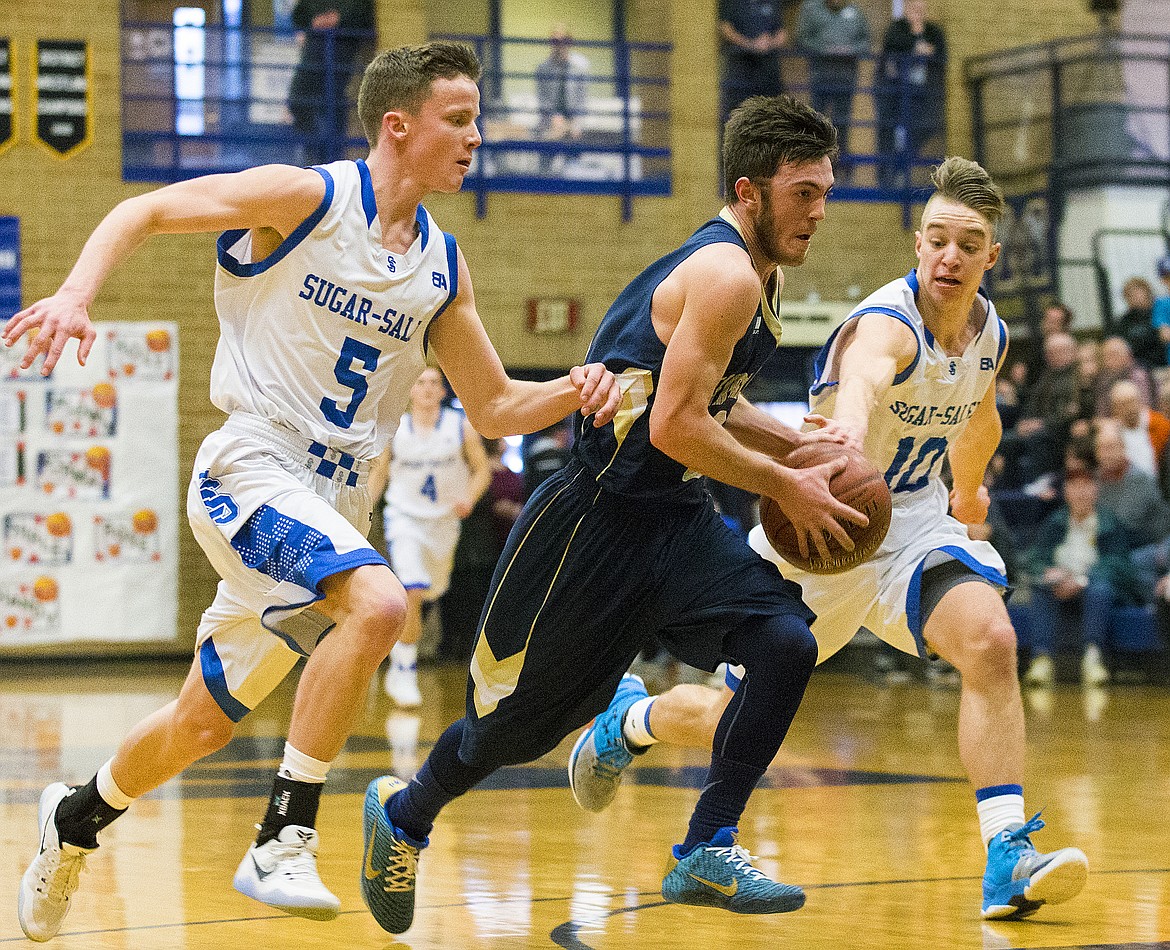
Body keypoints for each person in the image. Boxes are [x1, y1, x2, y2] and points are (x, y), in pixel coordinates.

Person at [6, 41, 620, 942]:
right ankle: (284, 835)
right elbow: (144, 210)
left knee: (198, 725)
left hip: (334, 506)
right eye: (460, 120)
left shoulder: (442, 265)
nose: (476, 138)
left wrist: (585, 385)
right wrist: (73, 294)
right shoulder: (307, 199)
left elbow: (493, 405)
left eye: (479, 121)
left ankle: (72, 823)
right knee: (378, 605)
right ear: (397, 126)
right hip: (252, 466)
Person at [358, 94, 869, 935]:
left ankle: (707, 845)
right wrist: (785, 485)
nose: (819, 210)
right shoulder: (726, 274)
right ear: (749, 191)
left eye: (825, 190)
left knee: (786, 641)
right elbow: (674, 424)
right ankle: (406, 815)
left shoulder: (759, 275)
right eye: (803, 192)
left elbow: (704, 403)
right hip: (591, 521)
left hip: (672, 515)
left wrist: (792, 447)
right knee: (509, 733)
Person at [568, 157, 1091, 922]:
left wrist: (970, 490)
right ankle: (631, 721)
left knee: (990, 643)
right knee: (730, 718)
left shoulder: (991, 333)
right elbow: (866, 379)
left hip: (911, 523)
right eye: (937, 239)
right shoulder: (886, 324)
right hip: (822, 527)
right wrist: (844, 430)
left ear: (990, 258)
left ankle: (1006, 855)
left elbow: (978, 414)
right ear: (917, 245)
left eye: (967, 244)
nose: (949, 256)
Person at [368, 367, 490, 708]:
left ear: (442, 391)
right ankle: (403, 669)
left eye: (434, 383)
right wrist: (361, 511)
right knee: (413, 586)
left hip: (444, 522)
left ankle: (402, 653)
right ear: (410, 390)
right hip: (404, 518)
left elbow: (481, 470)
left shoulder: (460, 426)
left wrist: (470, 496)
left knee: (432, 587)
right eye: (419, 382)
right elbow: (379, 474)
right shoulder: (396, 429)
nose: (426, 388)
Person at [1023, 456, 1143, 687]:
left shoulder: (1110, 523)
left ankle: (1093, 659)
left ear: (1095, 490)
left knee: (1099, 589)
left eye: (1085, 487)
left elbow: (1121, 566)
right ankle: (1041, 660)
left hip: (1095, 586)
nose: (1080, 493)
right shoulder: (1054, 523)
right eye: (1074, 487)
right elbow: (1035, 559)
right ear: (1066, 492)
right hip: (1060, 585)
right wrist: (1049, 574)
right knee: (1040, 588)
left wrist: (1081, 580)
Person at [288, 0, 375, 165]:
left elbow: (365, 16)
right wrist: (315, 22)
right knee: (299, 101)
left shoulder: (358, 6)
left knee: (333, 107)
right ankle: (316, 154)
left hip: (341, 52)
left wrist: (338, 19)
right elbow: (299, 14)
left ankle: (331, 160)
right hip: (314, 52)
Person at [875, 0, 947, 189]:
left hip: (921, 94)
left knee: (924, 128)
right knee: (887, 131)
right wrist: (917, 46)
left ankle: (899, 166)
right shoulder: (897, 28)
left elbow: (941, 52)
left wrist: (926, 48)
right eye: (913, 8)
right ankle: (886, 179)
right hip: (895, 92)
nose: (917, 12)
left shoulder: (933, 31)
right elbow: (893, 44)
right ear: (906, 9)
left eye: (920, 8)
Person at [795, 0, 871, 176]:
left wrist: (849, 49)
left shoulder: (855, 12)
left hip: (846, 78)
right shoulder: (811, 9)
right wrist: (825, 49)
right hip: (820, 76)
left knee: (842, 124)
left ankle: (838, 168)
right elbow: (801, 39)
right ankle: (814, 166)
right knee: (817, 123)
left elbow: (866, 42)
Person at [719, 0, 788, 124]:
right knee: (735, 114)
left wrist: (769, 44)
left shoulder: (774, 3)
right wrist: (750, 44)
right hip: (740, 68)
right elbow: (726, 29)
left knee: (772, 114)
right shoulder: (732, 3)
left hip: (768, 70)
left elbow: (782, 33)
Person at [533, 24, 591, 171]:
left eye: (562, 41)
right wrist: (554, 117)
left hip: (573, 119)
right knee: (546, 145)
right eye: (554, 41)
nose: (558, 45)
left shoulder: (580, 67)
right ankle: (544, 179)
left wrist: (576, 122)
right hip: (550, 119)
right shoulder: (543, 68)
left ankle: (573, 178)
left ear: (569, 42)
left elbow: (582, 98)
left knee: (574, 147)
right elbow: (542, 98)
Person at [1116, 276, 1161, 369]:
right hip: (1137, 367)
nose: (1134, 296)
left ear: (1147, 292)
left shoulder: (1160, 311)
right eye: (1129, 295)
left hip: (1161, 363)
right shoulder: (1124, 320)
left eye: (1137, 292)